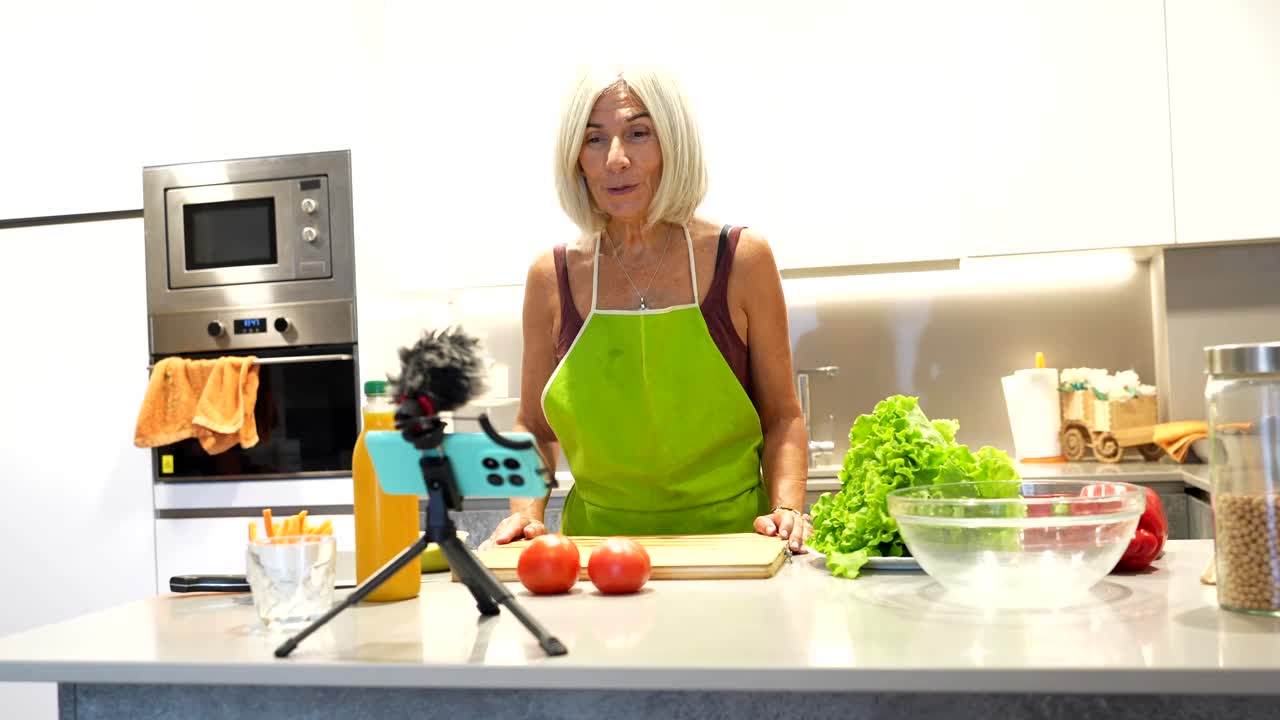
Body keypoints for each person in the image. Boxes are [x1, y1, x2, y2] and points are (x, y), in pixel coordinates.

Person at [481, 65, 812, 553]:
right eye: (594, 140)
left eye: (638, 133)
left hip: (735, 549)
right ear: (577, 160)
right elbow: (533, 425)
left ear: (672, 145)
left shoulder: (741, 259)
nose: (615, 159)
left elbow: (782, 416)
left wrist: (786, 509)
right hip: (596, 557)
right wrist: (526, 514)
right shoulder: (551, 277)